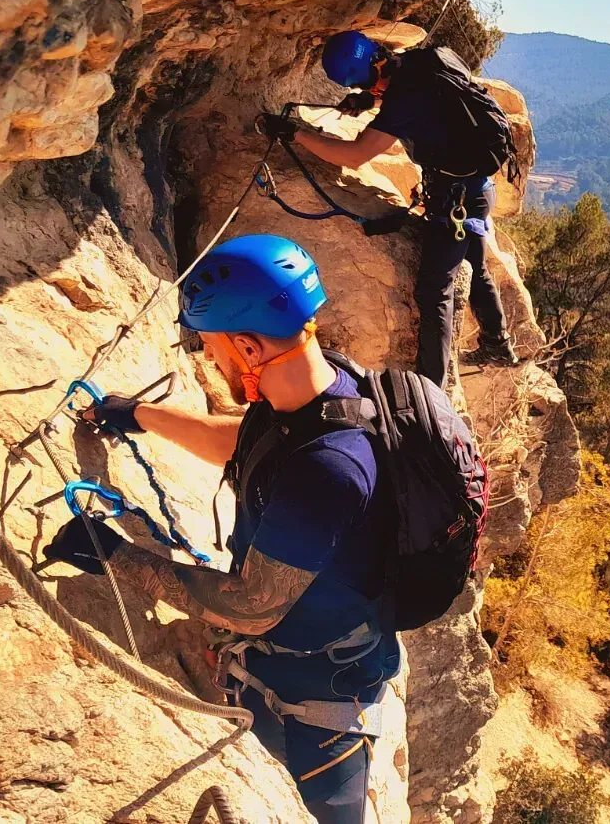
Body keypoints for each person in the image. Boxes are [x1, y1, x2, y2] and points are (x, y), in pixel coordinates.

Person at [42, 235, 397, 824]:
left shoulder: (329, 468)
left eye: (212, 349)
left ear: (249, 346)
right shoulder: (318, 384)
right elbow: (241, 443)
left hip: (324, 707)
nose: (208, 360)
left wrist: (113, 555)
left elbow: (251, 605)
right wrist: (138, 415)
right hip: (282, 667)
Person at [258, 30, 518, 386]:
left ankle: (431, 392)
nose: (373, 90)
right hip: (475, 188)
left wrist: (295, 134)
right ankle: (497, 343)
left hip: (455, 197)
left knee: (433, 291)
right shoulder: (428, 60)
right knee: (475, 264)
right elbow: (435, 107)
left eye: (367, 84)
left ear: (374, 68)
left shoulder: (403, 97)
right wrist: (369, 102)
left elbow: (355, 154)